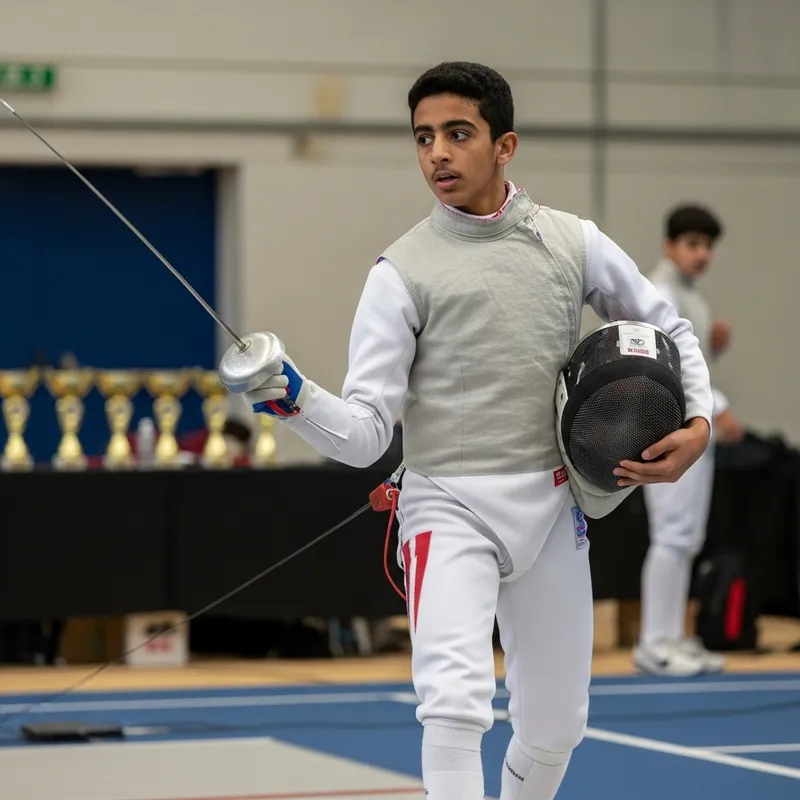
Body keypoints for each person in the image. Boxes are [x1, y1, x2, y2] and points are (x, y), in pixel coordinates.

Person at [241, 63, 713, 800]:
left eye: (458, 134)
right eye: (424, 137)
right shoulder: (400, 272)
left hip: (555, 508)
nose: (437, 153)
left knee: (558, 726)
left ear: (504, 145)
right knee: (456, 707)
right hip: (446, 509)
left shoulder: (569, 242)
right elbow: (368, 434)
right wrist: (294, 398)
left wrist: (700, 420)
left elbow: (670, 324)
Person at [635, 205, 745, 677]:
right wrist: (718, 407)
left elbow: (696, 363)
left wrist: (714, 347)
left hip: (690, 431)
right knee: (672, 535)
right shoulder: (657, 293)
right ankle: (653, 643)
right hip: (666, 428)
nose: (702, 254)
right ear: (669, 245)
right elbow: (666, 366)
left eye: (708, 246)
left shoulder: (691, 298)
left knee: (687, 539)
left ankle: (673, 636)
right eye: (692, 244)